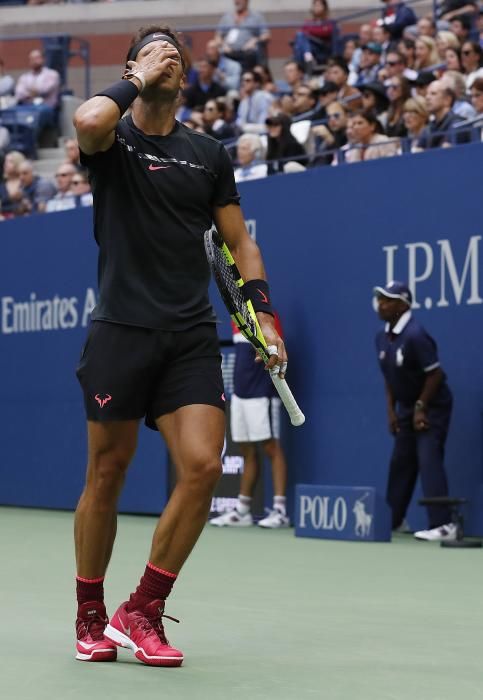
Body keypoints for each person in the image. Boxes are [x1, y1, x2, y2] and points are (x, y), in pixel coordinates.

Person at [72, 24, 286, 667]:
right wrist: (137, 76)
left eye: (176, 52)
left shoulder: (208, 154)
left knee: (201, 465)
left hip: (190, 335)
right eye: (152, 50)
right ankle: (88, 615)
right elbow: (86, 119)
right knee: (107, 472)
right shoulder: (112, 139)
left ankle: (140, 610)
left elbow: (240, 243)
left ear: (187, 77)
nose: (168, 55)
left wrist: (263, 314)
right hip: (120, 332)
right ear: (133, 67)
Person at [373, 281, 456, 542]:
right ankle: (394, 521)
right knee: (401, 462)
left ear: (403, 305)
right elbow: (389, 378)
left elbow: (435, 375)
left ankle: (444, 524)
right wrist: (391, 411)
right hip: (407, 408)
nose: (381, 304)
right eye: (380, 299)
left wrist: (421, 407)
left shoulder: (416, 335)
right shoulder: (382, 337)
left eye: (388, 300)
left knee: (428, 458)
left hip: (432, 406)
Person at [210, 317, 289, 529]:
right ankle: (243, 511)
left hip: (262, 394)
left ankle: (280, 510)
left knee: (271, 447)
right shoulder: (236, 318)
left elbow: (276, 353)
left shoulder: (266, 317)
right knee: (247, 451)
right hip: (240, 395)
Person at [215, 0, 270, 71]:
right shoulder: (226, 17)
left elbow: (267, 35)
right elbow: (217, 36)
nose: (236, 1)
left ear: (247, 1)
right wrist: (223, 44)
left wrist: (256, 40)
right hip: (229, 53)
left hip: (248, 53)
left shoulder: (257, 17)